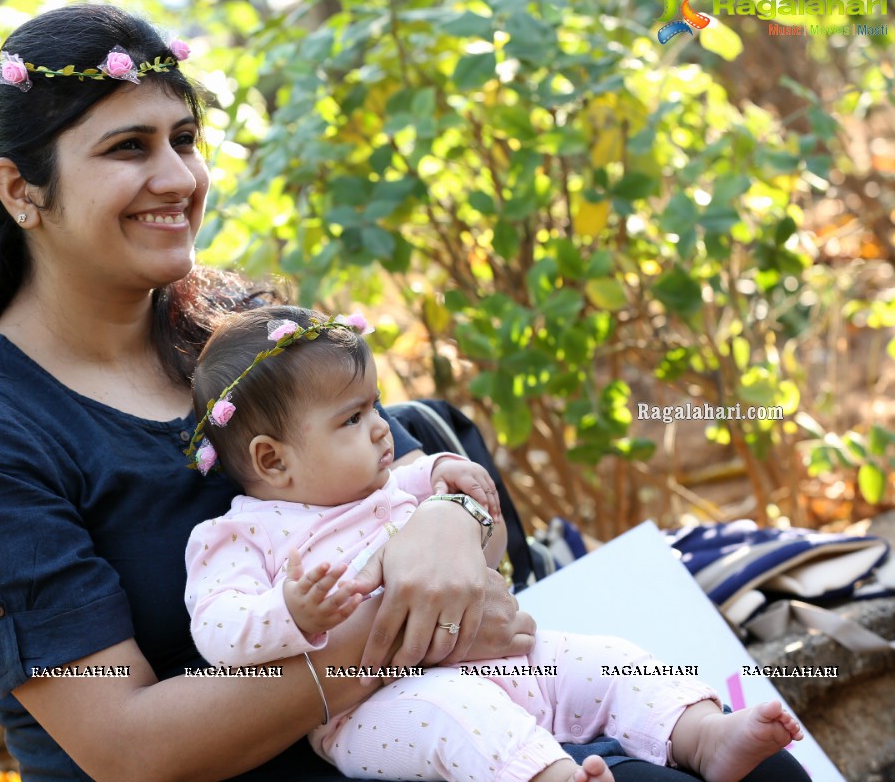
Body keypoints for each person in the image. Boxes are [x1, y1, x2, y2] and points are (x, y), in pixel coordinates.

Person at [0, 2, 539, 782]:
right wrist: (402, 629)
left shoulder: (234, 334)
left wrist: (449, 514)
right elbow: (131, 746)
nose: (177, 177)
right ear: (20, 189)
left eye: (185, 140)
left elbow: (467, 546)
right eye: (128, 147)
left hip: (474, 737)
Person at [184, 306, 807, 782]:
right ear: (272, 459)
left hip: (503, 657)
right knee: (458, 716)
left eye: (375, 407)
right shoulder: (238, 537)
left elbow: (445, 501)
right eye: (352, 419)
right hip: (383, 707)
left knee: (609, 660)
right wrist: (287, 615)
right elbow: (217, 629)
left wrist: (444, 482)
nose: (381, 429)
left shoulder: (385, 482)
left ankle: (701, 733)